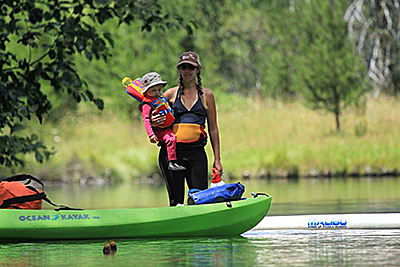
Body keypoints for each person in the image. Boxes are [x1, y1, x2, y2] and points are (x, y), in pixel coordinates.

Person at [151, 52, 223, 206]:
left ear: (198, 70)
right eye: (183, 67)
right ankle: (177, 227)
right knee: (176, 201)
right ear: (179, 70)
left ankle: (201, 228)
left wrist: (217, 160)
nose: (187, 70)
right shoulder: (170, 94)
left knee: (200, 200)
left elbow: (213, 129)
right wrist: (154, 121)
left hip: (196, 154)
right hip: (172, 155)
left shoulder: (207, 96)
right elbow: (153, 115)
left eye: (191, 67)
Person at [140, 72, 186, 171]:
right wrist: (151, 135)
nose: (157, 92)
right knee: (171, 139)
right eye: (153, 90)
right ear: (145, 91)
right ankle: (172, 162)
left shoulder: (161, 99)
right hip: (159, 129)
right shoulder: (147, 105)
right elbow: (146, 120)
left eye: (159, 90)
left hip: (167, 126)